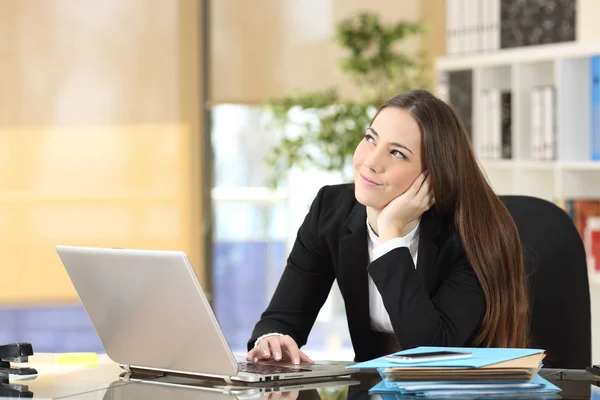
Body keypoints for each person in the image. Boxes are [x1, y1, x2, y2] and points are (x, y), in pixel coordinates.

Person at [246, 89, 529, 364]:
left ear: (432, 176)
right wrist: (273, 338)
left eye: (397, 153)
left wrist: (391, 232)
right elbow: (283, 316)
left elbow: (432, 352)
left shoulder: (471, 233)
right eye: (371, 138)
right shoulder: (330, 210)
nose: (370, 162)